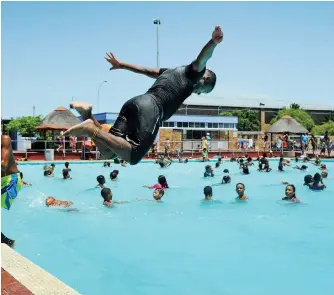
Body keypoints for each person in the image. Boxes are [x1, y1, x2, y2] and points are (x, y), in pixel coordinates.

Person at [64, 26, 223, 165]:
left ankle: (87, 115)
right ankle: (90, 128)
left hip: (135, 102)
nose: (199, 92)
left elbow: (146, 70)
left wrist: (121, 64)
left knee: (109, 151)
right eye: (203, 90)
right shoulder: (193, 73)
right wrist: (213, 43)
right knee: (133, 156)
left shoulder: (171, 71)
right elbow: (203, 58)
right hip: (152, 109)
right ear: (205, 78)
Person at [1, 135, 23, 247]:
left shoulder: (4, 139)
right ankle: (5, 240)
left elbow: (4, 164)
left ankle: (5, 241)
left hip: (11, 181)